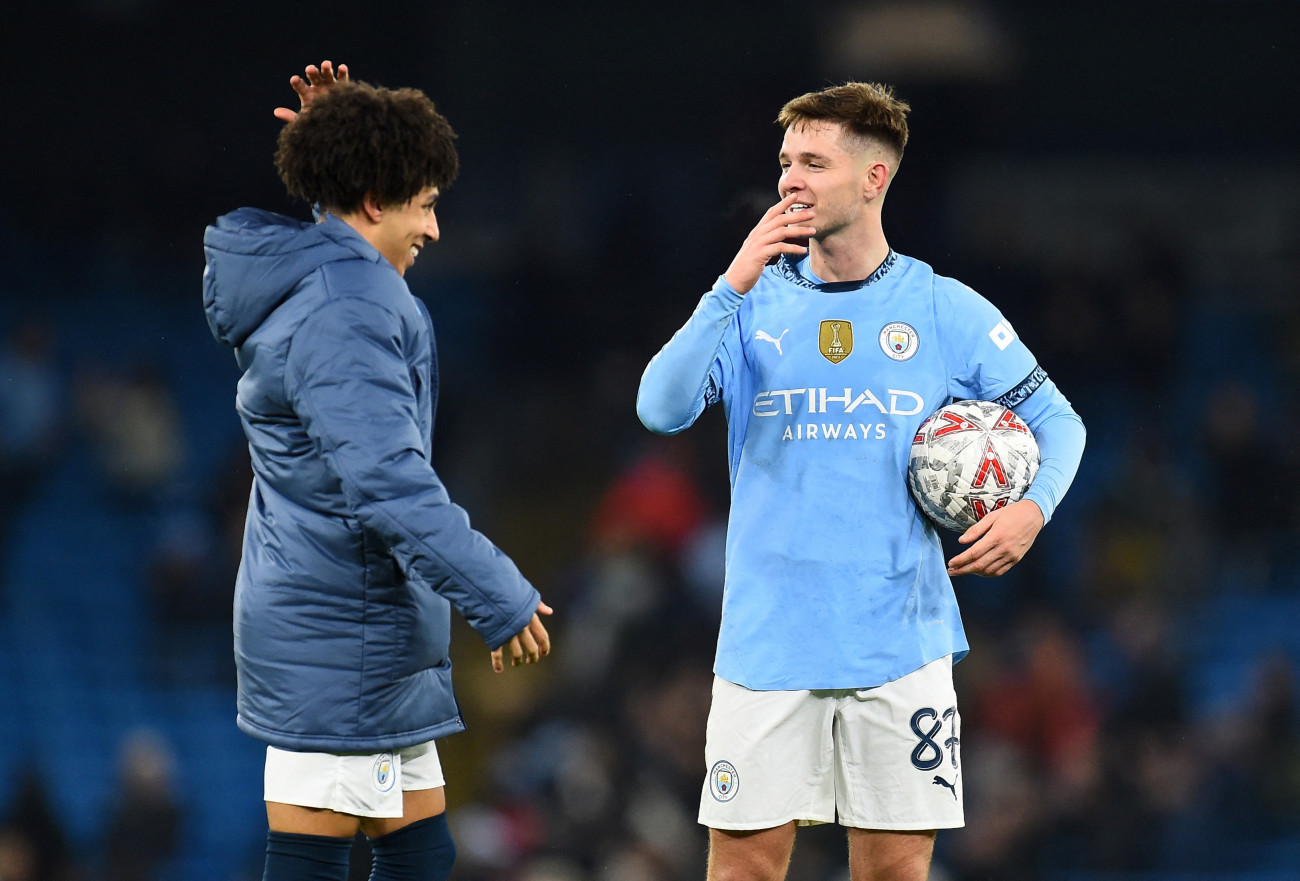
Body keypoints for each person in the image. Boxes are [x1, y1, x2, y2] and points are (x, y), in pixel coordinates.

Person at [636, 82, 1086, 881]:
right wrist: (730, 284)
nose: (790, 179)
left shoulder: (942, 308)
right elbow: (659, 407)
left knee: (896, 872)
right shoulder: (749, 303)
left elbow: (1061, 422)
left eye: (814, 162)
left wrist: (1031, 510)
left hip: (900, 644)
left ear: (874, 177)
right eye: (785, 162)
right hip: (767, 645)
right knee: (742, 870)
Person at [202, 61, 552, 881]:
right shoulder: (346, 307)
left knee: (420, 852)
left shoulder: (328, 283)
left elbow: (338, 237)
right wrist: (495, 592)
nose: (434, 228)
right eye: (423, 204)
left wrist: (336, 152)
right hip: (343, 630)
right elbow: (386, 481)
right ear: (372, 201)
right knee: (332, 860)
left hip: (353, 625)